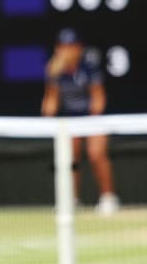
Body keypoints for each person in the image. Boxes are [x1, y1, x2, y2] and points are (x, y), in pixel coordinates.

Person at [40, 28, 118, 215]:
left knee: (96, 153)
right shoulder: (53, 69)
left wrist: (91, 122)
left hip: (93, 118)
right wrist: (47, 114)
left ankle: (108, 198)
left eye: (72, 46)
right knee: (68, 158)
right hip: (69, 119)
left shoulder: (89, 65)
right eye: (63, 46)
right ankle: (71, 200)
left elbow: (98, 98)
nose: (67, 50)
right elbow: (51, 99)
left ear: (79, 48)